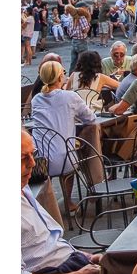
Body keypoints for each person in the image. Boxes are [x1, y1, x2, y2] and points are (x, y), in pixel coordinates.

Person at [21, 130, 102, 274]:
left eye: (33, 154)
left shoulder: (22, 189)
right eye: (23, 158)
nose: (32, 163)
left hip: (65, 269)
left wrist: (88, 257)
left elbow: (48, 243)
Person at [31, 61, 96, 209]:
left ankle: (45, 205)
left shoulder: (36, 100)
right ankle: (69, 201)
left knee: (63, 148)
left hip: (40, 160)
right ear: (61, 77)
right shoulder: (70, 97)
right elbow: (90, 118)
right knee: (71, 149)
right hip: (64, 160)